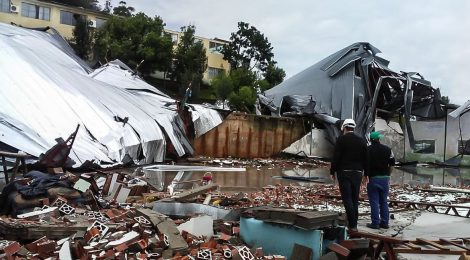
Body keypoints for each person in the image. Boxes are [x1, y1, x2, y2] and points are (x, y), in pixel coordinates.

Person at [330, 119, 369, 232]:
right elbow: (366, 158)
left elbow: (336, 156)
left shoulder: (341, 140)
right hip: (357, 173)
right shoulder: (361, 141)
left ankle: (352, 225)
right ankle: (353, 223)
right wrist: (366, 174)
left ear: (344, 128)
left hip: (344, 172)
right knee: (354, 198)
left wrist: (332, 171)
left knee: (347, 199)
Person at [366, 131, 395, 229]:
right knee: (383, 201)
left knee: (374, 201)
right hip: (384, 179)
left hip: (373, 178)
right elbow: (392, 164)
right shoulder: (388, 149)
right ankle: (385, 222)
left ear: (370, 140)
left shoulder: (367, 150)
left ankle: (375, 223)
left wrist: (364, 176)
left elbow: (364, 165)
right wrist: (388, 175)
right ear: (379, 139)